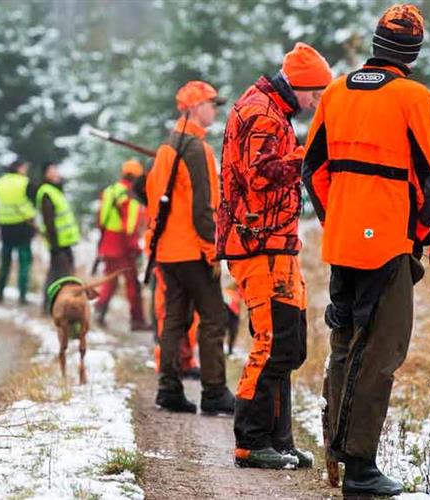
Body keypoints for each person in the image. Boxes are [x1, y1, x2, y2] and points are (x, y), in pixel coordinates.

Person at [302, 4, 430, 496]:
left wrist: (338, 218)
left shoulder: (336, 91)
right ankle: (360, 470)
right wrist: (417, 237)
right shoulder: (413, 96)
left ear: (375, 43)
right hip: (388, 247)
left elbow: (312, 169)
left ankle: (337, 455)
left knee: (345, 346)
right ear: (413, 51)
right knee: (380, 353)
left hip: (342, 242)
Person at [218, 42, 332, 469]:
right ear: (298, 86)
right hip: (257, 244)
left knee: (289, 346)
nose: (316, 102)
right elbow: (259, 173)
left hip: (277, 243)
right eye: (315, 95)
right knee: (268, 344)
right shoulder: (263, 113)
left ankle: (279, 440)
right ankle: (251, 441)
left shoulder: (274, 110)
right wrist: (309, 156)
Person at [145, 80, 233, 415]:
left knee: (174, 321)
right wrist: (212, 251)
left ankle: (168, 390)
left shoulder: (168, 147)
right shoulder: (197, 150)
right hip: (193, 251)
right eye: (212, 104)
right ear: (195, 108)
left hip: (167, 251)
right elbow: (203, 208)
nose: (215, 110)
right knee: (214, 317)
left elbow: (153, 198)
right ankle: (214, 394)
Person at [93, 159, 148, 331]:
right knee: (132, 284)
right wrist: (135, 247)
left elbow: (101, 220)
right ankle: (137, 321)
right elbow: (128, 225)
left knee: (110, 280)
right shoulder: (130, 194)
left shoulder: (110, 190)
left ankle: (100, 309)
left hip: (108, 242)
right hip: (123, 245)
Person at [0, 159, 37, 305]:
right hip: (23, 225)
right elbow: (33, 200)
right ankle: (22, 295)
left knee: (5, 262)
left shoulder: (1, 182)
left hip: (5, 226)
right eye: (24, 167)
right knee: (24, 262)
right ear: (19, 168)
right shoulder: (24, 182)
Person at [37, 162, 81, 312]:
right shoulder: (47, 192)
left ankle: (51, 304)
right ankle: (53, 305)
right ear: (45, 173)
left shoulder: (56, 190)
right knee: (62, 275)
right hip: (58, 242)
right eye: (52, 170)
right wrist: (54, 244)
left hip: (65, 241)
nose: (56, 172)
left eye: (56, 169)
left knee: (57, 274)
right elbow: (49, 221)